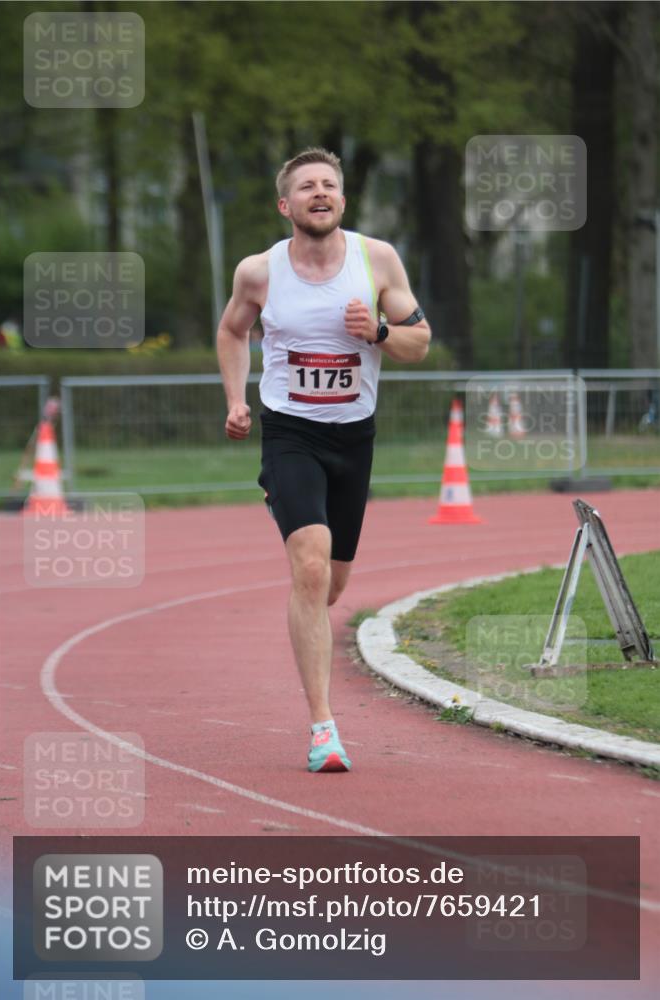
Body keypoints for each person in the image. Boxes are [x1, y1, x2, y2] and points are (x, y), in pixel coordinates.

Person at [217, 148, 431, 773]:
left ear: (342, 200)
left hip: (353, 438)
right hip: (290, 434)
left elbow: (421, 344)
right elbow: (233, 331)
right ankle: (323, 729)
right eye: (306, 187)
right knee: (308, 570)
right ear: (285, 206)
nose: (319, 193)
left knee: (333, 584)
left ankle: (292, 506)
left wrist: (380, 334)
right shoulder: (259, 272)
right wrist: (236, 399)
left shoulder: (377, 260)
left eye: (329, 186)